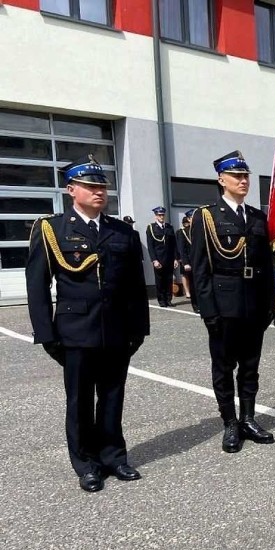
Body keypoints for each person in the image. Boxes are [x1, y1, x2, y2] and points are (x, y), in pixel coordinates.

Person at [25, 156, 150, 492]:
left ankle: (114, 456)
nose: (99, 191)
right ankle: (86, 463)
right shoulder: (52, 229)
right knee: (79, 400)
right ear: (71, 190)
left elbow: (135, 287)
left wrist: (139, 328)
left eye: (102, 185)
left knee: (112, 396)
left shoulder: (121, 231)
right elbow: (37, 285)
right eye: (91, 186)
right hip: (75, 330)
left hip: (116, 330)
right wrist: (46, 333)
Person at [190, 150, 275, 453]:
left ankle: (248, 418)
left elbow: (267, 265)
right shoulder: (207, 216)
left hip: (254, 304)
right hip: (224, 306)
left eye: (246, 176)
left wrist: (270, 303)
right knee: (224, 367)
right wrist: (207, 310)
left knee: (250, 366)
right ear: (221, 179)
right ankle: (229, 423)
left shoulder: (256, 217)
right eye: (237, 176)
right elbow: (200, 268)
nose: (243, 181)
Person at [146, 205, 178, 307]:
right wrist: (154, 260)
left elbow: (174, 245)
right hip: (159, 258)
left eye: (163, 215)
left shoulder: (169, 227)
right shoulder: (151, 228)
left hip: (169, 258)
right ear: (155, 216)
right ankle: (161, 300)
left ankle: (168, 299)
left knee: (169, 280)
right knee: (160, 280)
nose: (161, 217)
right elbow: (150, 245)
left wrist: (175, 258)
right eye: (159, 215)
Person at [176, 210, 199, 313]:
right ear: (189, 219)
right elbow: (182, 249)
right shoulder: (183, 232)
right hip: (191, 261)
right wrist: (185, 263)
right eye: (191, 217)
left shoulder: (200, 230)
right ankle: (196, 305)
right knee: (193, 284)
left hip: (201, 261)